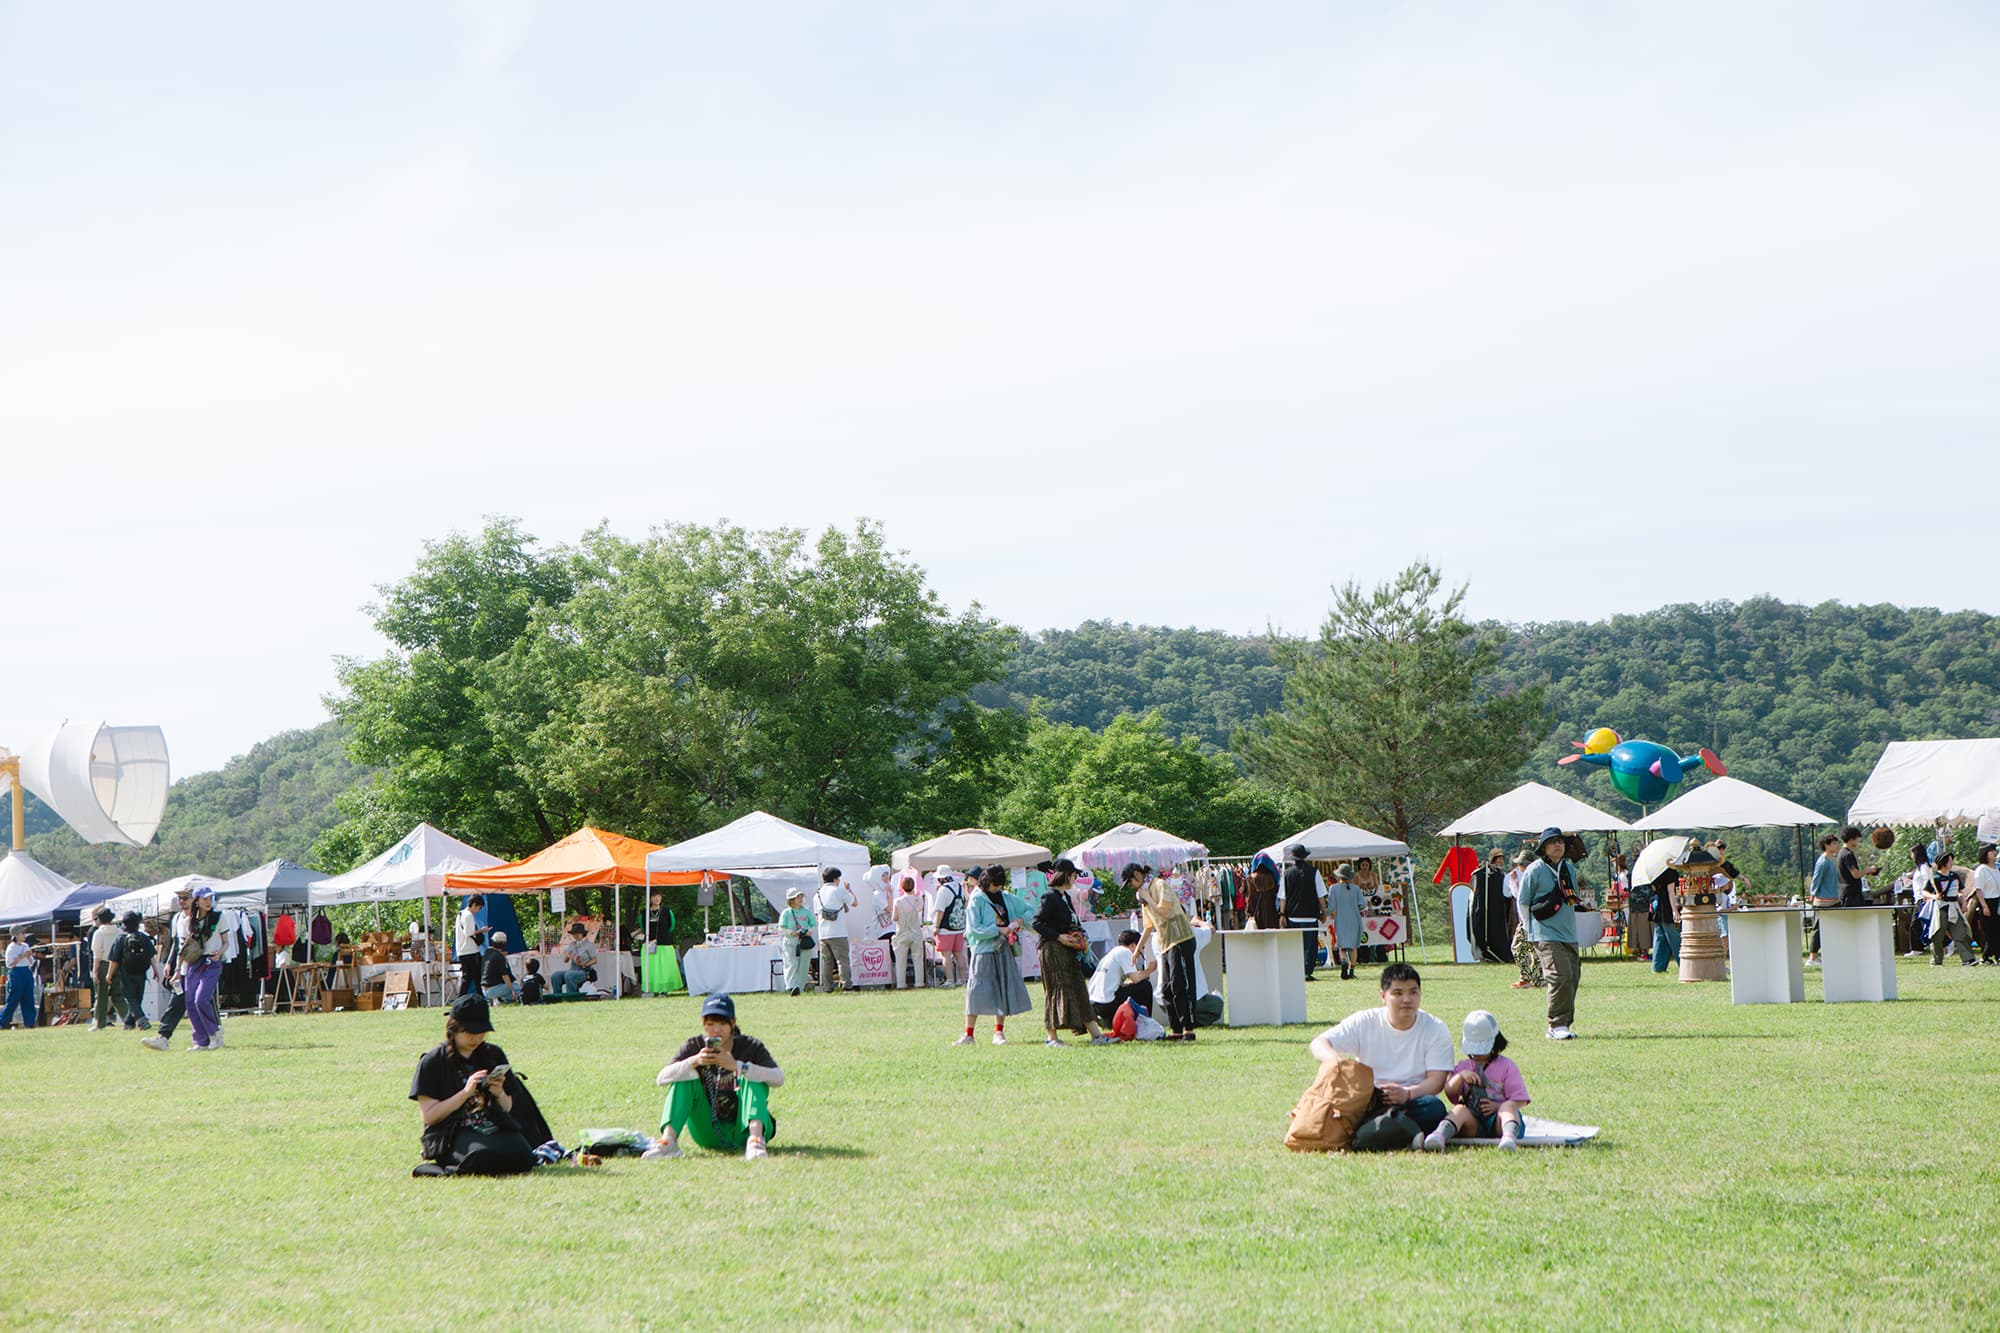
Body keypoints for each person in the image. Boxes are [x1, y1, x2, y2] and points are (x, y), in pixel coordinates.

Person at [1307, 962, 1455, 1147]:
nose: (1407, 999)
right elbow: (1319, 1043)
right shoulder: (1365, 1021)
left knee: (1434, 1107)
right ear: (1383, 997)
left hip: (1413, 1100)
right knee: (1346, 1107)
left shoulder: (1435, 1028)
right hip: (1369, 1099)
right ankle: (1396, 1131)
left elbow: (1437, 1081)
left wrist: (1407, 1094)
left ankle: (1375, 1132)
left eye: (1413, 992)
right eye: (1398, 993)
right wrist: (1336, 1061)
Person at [409, 995, 548, 1175]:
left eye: (481, 1032)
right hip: (453, 1131)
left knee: (523, 1157)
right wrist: (465, 1093)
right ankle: (436, 1169)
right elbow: (430, 1116)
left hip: (492, 1123)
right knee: (481, 1156)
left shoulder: (493, 1054)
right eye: (470, 1032)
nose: (476, 1038)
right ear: (453, 1029)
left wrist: (499, 1093)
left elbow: (507, 1107)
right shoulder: (433, 1061)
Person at [646, 993, 783, 1162]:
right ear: (703, 1024)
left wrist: (738, 1066)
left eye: (722, 1024)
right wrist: (694, 1061)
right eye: (711, 1024)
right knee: (683, 1076)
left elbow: (778, 1078)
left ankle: (755, 1141)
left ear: (733, 1023)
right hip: (709, 1130)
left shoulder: (750, 1046)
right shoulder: (694, 1045)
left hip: (744, 1127)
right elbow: (662, 1078)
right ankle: (668, 1141)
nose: (716, 1030)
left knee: (751, 1075)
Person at [1423, 1010, 1530, 1151]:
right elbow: (1449, 1091)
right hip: (1474, 1123)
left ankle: (1509, 1138)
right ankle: (1439, 1135)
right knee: (1460, 1110)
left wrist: (1497, 1106)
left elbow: (1520, 1099)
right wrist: (1460, 1077)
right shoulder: (1464, 1067)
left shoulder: (1507, 1066)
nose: (1477, 1055)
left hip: (1499, 1123)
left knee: (1509, 1106)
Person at [1032, 861, 1112, 1046]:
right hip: (1052, 950)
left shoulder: (1064, 897)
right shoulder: (1049, 896)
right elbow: (1037, 923)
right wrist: (1059, 937)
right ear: (1065, 875)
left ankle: (1096, 1035)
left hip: (1068, 950)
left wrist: (1079, 937)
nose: (1076, 878)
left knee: (1078, 988)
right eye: (1074, 875)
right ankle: (1051, 1038)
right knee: (1056, 990)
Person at [957, 865, 1033, 1046]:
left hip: (1003, 949)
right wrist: (1000, 930)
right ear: (988, 882)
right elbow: (975, 929)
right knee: (975, 990)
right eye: (995, 885)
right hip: (983, 951)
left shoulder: (1006, 897)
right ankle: (969, 1034)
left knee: (1002, 988)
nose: (998, 888)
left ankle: (998, 1033)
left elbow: (1029, 909)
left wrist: (1020, 920)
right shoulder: (976, 900)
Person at [1518, 827, 1580, 1041]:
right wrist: (1528, 927)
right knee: (1559, 976)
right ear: (1544, 847)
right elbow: (1523, 901)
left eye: (1560, 841)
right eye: (1552, 842)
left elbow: (1573, 899)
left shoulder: (1568, 869)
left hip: (1568, 932)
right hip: (1545, 933)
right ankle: (1556, 1025)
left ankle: (1565, 1024)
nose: (1557, 845)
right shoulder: (1535, 869)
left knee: (1572, 977)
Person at [1133, 866, 1198, 1042]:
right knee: (1166, 989)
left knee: (1180, 984)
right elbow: (1148, 926)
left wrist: (1147, 897)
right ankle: (1176, 1030)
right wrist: (1138, 949)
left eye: (1131, 881)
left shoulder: (1160, 885)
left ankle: (1189, 1030)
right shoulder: (1144, 899)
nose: (1133, 886)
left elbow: (1166, 912)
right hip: (1166, 943)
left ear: (1138, 876)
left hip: (1180, 938)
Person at [179, 886, 227, 1052]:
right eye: (205, 899)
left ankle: (214, 1033)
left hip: (211, 962)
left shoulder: (219, 917)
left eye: (210, 898)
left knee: (201, 998)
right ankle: (201, 1041)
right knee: (190, 1002)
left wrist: (219, 952)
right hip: (193, 963)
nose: (208, 902)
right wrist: (177, 970)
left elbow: (226, 941)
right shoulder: (188, 922)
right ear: (197, 900)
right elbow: (184, 947)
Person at [1086, 928, 1156, 1028]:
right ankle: (1146, 1023)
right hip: (1107, 1003)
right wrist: (1150, 969)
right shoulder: (1125, 952)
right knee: (1145, 986)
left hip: (1094, 1003)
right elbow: (1136, 979)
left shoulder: (1112, 953)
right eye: (1139, 950)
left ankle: (1110, 1020)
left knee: (1134, 986)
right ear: (1133, 945)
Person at [1280, 844, 1327, 980]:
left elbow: (1283, 896)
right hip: (1310, 916)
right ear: (1306, 857)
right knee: (1310, 946)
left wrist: (1282, 915)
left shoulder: (1287, 874)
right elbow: (1321, 895)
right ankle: (1307, 972)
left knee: (1295, 946)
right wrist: (1324, 912)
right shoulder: (1314, 872)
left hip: (1293, 916)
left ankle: (1296, 971)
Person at [1928, 852, 1977, 967]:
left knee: (1961, 932)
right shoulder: (1935, 877)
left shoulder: (1954, 876)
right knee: (1938, 934)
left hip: (1954, 906)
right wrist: (1934, 896)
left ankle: (1968, 959)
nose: (1952, 863)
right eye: (1949, 861)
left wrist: (1964, 903)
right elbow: (1925, 891)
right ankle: (1936, 960)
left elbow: (1961, 891)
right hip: (1941, 907)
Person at [813, 867, 857, 993]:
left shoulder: (817, 894)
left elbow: (817, 915)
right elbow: (854, 903)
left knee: (826, 962)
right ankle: (846, 985)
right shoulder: (839, 891)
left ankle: (827, 987)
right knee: (842, 960)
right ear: (836, 878)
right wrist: (849, 890)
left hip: (823, 933)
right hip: (838, 932)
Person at [110, 912, 157, 1031]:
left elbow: (114, 959)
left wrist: (109, 974)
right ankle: (129, 1023)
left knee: (130, 998)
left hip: (126, 973)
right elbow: (152, 956)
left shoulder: (121, 939)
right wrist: (156, 971)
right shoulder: (144, 937)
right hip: (141, 973)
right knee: (137, 998)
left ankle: (142, 1021)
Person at [1469, 848, 1514, 964]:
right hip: (1484, 908)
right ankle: (1485, 953)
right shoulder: (1481, 874)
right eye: (1497, 858)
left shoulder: (1501, 875)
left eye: (1501, 859)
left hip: (1498, 909)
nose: (1500, 861)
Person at [1507, 851, 1543, 989]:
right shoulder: (1536, 875)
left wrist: (1513, 882)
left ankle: (1527, 977)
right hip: (1533, 918)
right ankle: (1538, 978)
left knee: (1518, 948)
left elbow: (1519, 897)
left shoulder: (1525, 877)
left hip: (1528, 919)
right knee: (1535, 949)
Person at [1805, 832, 1842, 966]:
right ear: (1826, 845)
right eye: (1833, 844)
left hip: (1833, 899)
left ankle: (1830, 953)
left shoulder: (1830, 861)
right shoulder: (1822, 862)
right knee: (1818, 929)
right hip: (1823, 901)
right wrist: (1813, 894)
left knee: (1834, 927)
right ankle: (1812, 957)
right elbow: (1816, 880)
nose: (1836, 846)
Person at [89, 907, 128, 1031]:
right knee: (118, 995)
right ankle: (129, 1019)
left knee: (101, 995)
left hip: (104, 964)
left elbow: (97, 954)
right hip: (118, 964)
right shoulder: (120, 932)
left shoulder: (99, 933)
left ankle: (99, 1023)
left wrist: (95, 971)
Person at [931, 869, 969, 988]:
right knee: (959, 954)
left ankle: (950, 980)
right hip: (959, 927)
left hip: (946, 928)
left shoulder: (943, 890)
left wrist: (936, 926)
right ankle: (963, 979)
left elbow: (940, 910)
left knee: (946, 955)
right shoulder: (959, 887)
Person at [1326, 864, 1364, 980]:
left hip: (1341, 919)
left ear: (1339, 876)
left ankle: (1343, 962)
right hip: (1355, 919)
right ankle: (1351, 970)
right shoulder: (1356, 888)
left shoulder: (1334, 888)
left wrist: (1324, 914)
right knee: (1353, 947)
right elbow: (1362, 905)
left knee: (1342, 946)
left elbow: (1331, 906)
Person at [892, 872, 928, 990]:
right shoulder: (918, 900)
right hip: (915, 931)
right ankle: (919, 982)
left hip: (902, 932)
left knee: (900, 960)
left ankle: (901, 984)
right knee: (917, 959)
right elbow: (919, 910)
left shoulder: (897, 901)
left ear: (902, 887)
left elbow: (894, 918)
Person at [777, 887, 815, 995]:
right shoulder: (786, 913)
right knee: (790, 964)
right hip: (790, 942)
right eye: (797, 896)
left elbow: (813, 925)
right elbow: (781, 928)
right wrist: (790, 932)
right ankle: (791, 987)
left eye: (801, 896)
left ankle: (799, 988)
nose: (800, 898)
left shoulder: (806, 911)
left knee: (803, 966)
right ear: (791, 899)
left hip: (804, 942)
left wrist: (809, 931)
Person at [643, 892, 682, 995]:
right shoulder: (644, 912)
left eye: (659, 896)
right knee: (652, 967)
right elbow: (642, 926)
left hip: (665, 943)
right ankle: (654, 989)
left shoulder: (667, 911)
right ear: (650, 898)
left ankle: (665, 989)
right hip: (650, 944)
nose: (657, 898)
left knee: (665, 967)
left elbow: (672, 926)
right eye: (654, 896)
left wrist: (664, 935)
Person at [1970, 844, 2000, 965]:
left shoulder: (1996, 868)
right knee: (1991, 931)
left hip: (1997, 901)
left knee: (1996, 930)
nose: (1994, 853)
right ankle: (1998, 956)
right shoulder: (1981, 869)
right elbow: (1979, 890)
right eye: (1991, 851)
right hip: (1987, 902)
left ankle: (1985, 957)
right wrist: (1984, 906)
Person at [1, 931, 36, 1030]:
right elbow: (10, 964)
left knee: (28, 997)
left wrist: (28, 955)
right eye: (22, 933)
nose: (24, 935)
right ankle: (2, 1021)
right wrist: (22, 956)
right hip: (17, 972)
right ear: (16, 935)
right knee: (13, 998)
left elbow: (31, 961)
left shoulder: (25, 945)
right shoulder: (11, 948)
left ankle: (29, 1022)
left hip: (26, 971)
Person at [552, 921, 598, 997]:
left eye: (578, 933)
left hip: (584, 971)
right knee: (555, 975)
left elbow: (595, 960)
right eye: (574, 934)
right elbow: (565, 961)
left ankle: (571, 996)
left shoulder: (589, 945)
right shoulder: (572, 944)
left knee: (569, 975)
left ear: (583, 933)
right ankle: (557, 997)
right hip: (573, 969)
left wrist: (584, 964)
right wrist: (568, 956)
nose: (576, 935)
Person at [1649, 870, 1682, 974]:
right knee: (1676, 938)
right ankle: (1685, 964)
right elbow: (1671, 892)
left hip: (1659, 909)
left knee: (1660, 939)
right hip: (1668, 910)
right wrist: (1675, 911)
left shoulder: (1656, 872)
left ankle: (1657, 967)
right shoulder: (1671, 872)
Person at [1837, 826, 1880, 905]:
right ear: (1851, 839)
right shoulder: (1848, 854)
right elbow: (1856, 875)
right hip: (1851, 895)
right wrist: (1869, 870)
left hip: (1845, 892)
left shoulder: (1841, 852)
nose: (1858, 841)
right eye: (1857, 838)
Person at [453, 894, 486, 998]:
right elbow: (469, 932)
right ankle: (463, 998)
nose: (478, 910)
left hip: (462, 950)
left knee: (470, 977)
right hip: (470, 950)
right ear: (474, 905)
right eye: (479, 908)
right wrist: (482, 930)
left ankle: (477, 997)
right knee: (472, 977)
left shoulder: (460, 914)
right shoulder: (468, 915)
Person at [1245, 853, 1281, 930]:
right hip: (1271, 914)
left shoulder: (1249, 879)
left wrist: (1248, 913)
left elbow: (1250, 898)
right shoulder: (1273, 878)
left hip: (1255, 914)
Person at [481, 931, 518, 1003]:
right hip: (494, 989)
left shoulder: (487, 953)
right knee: (517, 988)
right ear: (504, 944)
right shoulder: (500, 957)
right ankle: (506, 1000)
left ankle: (505, 1000)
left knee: (511, 990)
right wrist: (512, 990)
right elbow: (505, 975)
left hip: (484, 989)